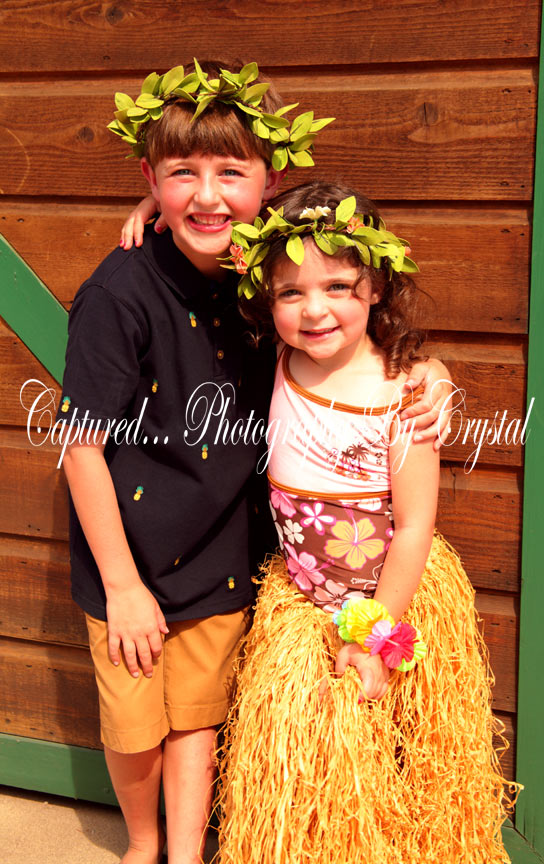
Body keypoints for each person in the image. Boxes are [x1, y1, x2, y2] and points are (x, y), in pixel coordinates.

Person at [59, 59, 452, 864]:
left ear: (268, 184)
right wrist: (124, 588)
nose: (208, 195)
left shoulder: (264, 275)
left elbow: (346, 311)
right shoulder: (121, 294)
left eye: (230, 175)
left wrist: (435, 375)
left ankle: (185, 852)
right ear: (151, 180)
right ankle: (142, 846)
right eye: (181, 175)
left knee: (198, 718)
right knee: (135, 724)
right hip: (129, 559)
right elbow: (81, 445)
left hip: (220, 554)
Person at [213, 180, 517, 864]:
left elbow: (413, 526)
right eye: (290, 292)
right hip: (302, 603)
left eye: (339, 287)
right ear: (266, 296)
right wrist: (150, 205)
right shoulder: (281, 358)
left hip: (387, 606)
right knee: (312, 782)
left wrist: (378, 638)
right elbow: (215, 236)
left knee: (393, 778)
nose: (314, 309)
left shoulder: (404, 395)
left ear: (376, 286)